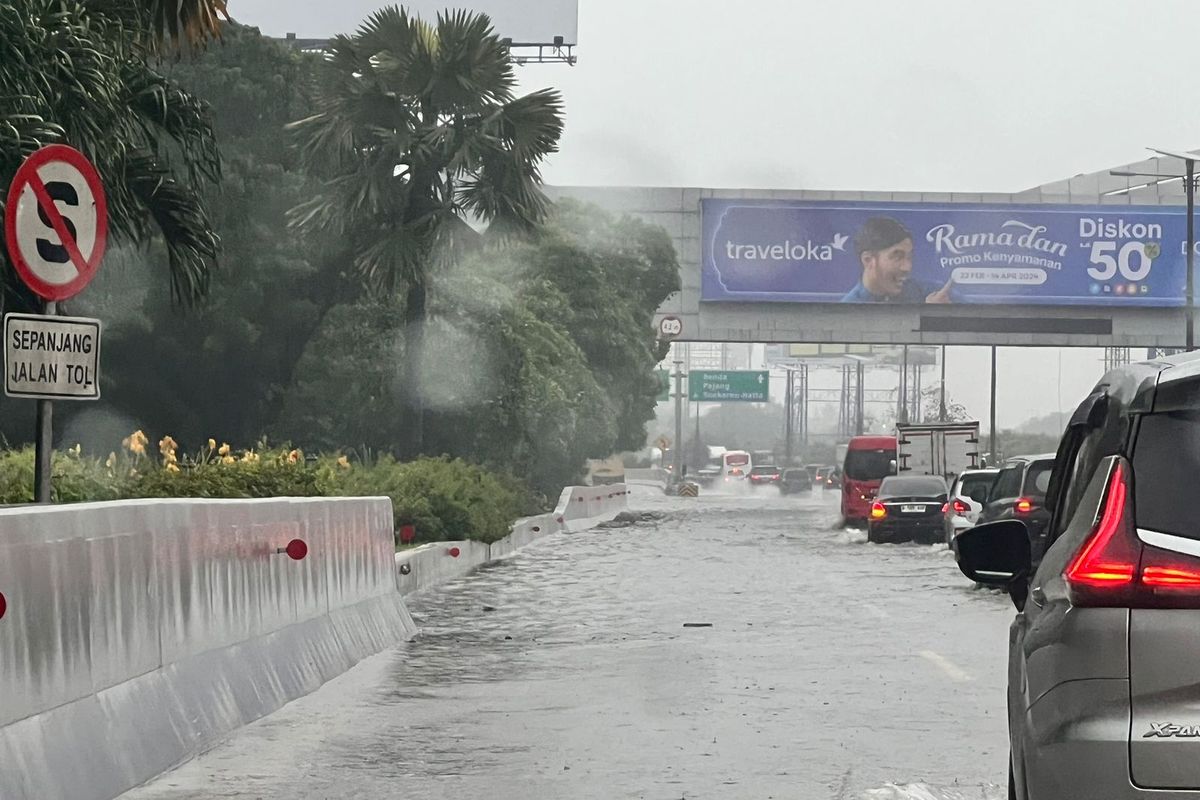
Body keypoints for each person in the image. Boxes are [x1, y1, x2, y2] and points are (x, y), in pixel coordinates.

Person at [840, 216, 955, 303]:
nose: (907, 267)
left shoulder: (930, 292)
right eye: (897, 257)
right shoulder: (847, 310)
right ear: (868, 260)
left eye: (909, 257)